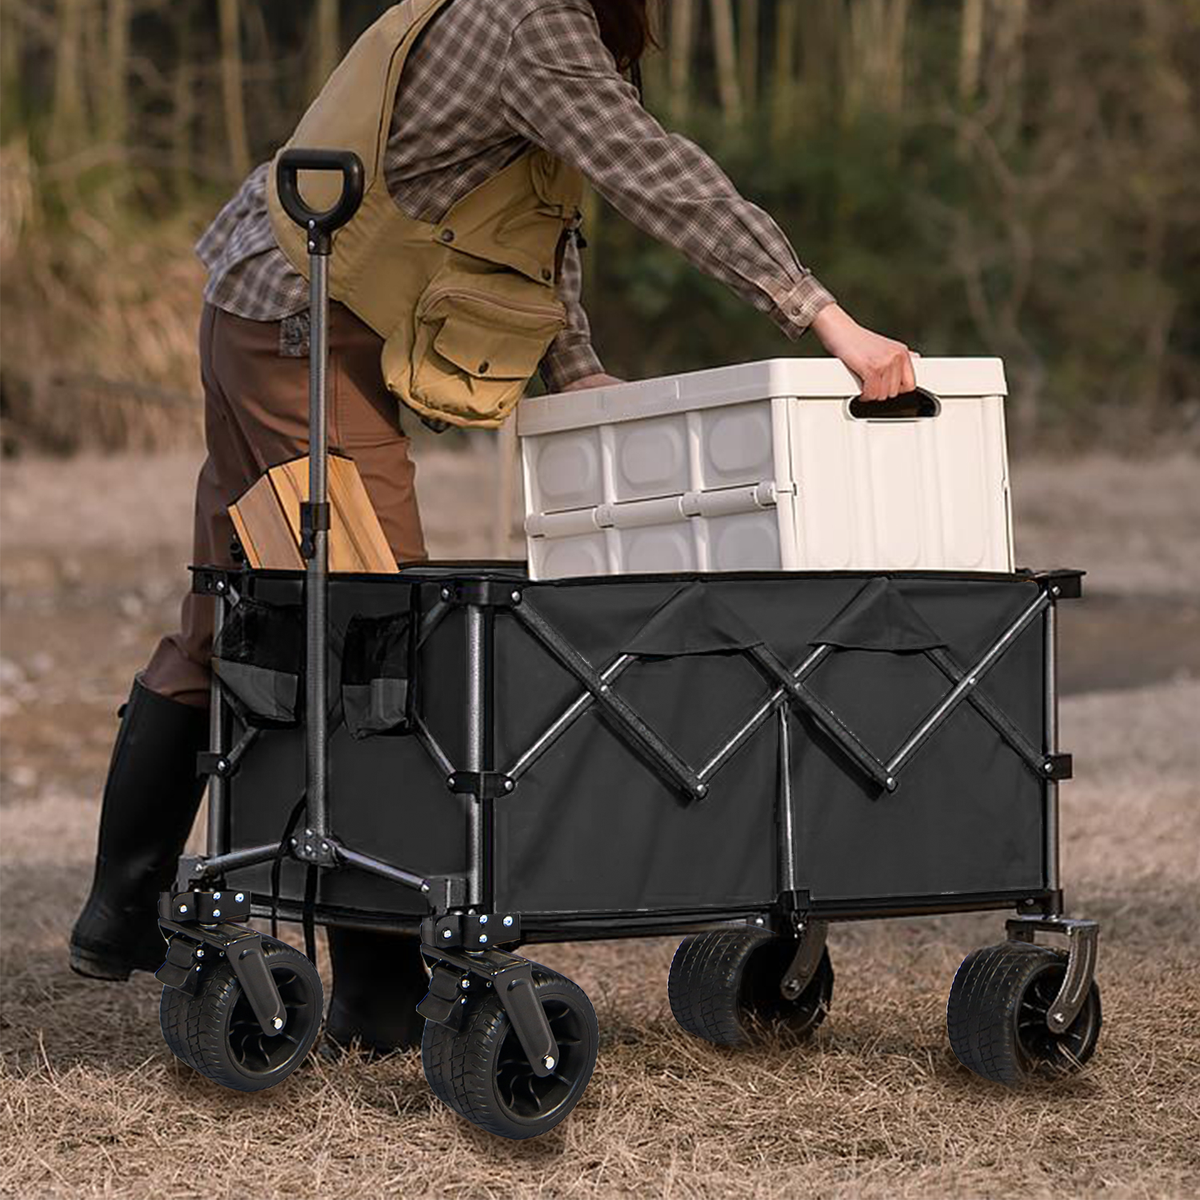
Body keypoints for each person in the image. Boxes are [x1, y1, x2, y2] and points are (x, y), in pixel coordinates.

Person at [70, 0, 916, 1055]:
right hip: (305, 327)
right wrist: (826, 316)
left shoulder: (506, 14)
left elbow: (532, 214)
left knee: (242, 608)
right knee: (379, 627)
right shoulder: (535, 20)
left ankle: (121, 908)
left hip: (263, 301)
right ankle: (375, 990)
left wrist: (577, 376)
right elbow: (661, 175)